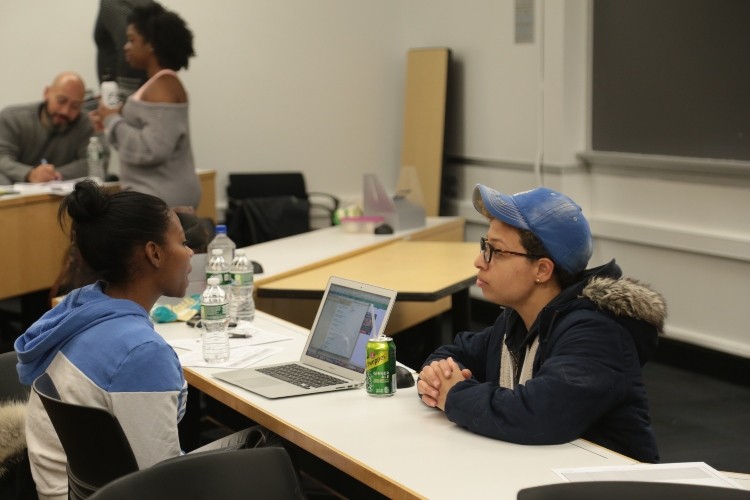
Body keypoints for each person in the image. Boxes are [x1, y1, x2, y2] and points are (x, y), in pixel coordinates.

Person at [417, 184, 666, 463]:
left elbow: (538, 415)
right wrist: (439, 378)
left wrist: (454, 394)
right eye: (484, 246)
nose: (479, 261)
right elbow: (452, 353)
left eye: (496, 252)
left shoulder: (597, 332)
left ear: (542, 270)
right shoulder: (516, 319)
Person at [14, 180, 193, 499]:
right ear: (154, 253)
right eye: (182, 242)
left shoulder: (83, 307)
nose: (190, 252)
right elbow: (161, 482)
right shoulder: (141, 352)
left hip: (59, 488)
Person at [90, 2, 200, 209]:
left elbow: (150, 150)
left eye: (132, 40)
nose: (125, 47)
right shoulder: (157, 85)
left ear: (151, 45)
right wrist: (112, 119)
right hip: (156, 198)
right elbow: (138, 143)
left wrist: (112, 120)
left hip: (160, 202)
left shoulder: (162, 87)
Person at [0, 72, 93, 185]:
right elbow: (2, 158)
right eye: (61, 101)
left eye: (75, 106)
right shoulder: (12, 118)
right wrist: (29, 174)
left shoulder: (86, 122)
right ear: (47, 93)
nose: (65, 111)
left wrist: (52, 175)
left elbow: (95, 162)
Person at [93, 0, 153, 95]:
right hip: (148, 92)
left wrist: (124, 98)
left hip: (128, 97)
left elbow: (129, 46)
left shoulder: (111, 3)